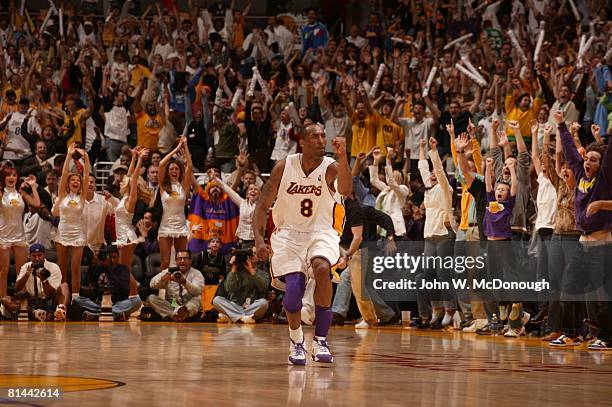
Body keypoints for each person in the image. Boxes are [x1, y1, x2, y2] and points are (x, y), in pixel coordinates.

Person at [253, 124, 352, 365]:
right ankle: (297, 340)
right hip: (288, 234)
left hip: (322, 231)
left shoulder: (331, 167)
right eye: (315, 137)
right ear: (303, 143)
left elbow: (347, 189)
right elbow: (263, 205)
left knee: (321, 268)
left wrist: (343, 156)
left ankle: (320, 340)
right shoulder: (284, 167)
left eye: (322, 136)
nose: (321, 140)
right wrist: (258, 239)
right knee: (295, 288)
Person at [51, 144, 90, 304]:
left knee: (75, 268)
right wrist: (68, 155)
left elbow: (86, 176)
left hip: (78, 234)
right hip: (62, 233)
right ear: (67, 183)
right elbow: (65, 172)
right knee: (62, 268)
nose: (75, 181)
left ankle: (75, 298)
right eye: (72, 180)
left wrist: (86, 158)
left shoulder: (81, 198)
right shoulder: (61, 196)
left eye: (77, 180)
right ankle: (62, 297)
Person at [0, 243, 69, 322]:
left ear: (44, 255)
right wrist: (26, 276)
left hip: (48, 300)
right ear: (29, 256)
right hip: (30, 301)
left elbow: (51, 293)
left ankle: (60, 311)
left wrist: (44, 280)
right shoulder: (25, 266)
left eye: (39, 255)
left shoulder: (53, 267)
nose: (37, 258)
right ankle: (35, 313)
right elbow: (17, 288)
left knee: (64, 286)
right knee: (5, 299)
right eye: (34, 256)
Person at [0, 167, 40, 297]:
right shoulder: (1, 193)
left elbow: (37, 203)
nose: (11, 178)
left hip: (19, 235)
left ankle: (22, 300)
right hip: (3, 235)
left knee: (22, 271)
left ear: (17, 178)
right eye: (8, 175)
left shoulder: (21, 193)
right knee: (3, 270)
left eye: (14, 175)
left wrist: (33, 187)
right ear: (3, 178)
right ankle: (2, 300)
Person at [157, 138, 193, 271]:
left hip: (181, 226)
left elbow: (189, 165)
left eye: (177, 169)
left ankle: (181, 288)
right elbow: (161, 164)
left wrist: (185, 146)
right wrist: (177, 149)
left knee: (182, 261)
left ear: (179, 172)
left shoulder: (183, 186)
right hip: (165, 226)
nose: (174, 170)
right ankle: (162, 291)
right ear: (168, 172)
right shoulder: (163, 186)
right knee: (165, 261)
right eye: (171, 168)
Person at [212, 248, 270, 323]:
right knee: (217, 300)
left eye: (255, 253)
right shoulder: (237, 271)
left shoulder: (263, 274)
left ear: (260, 258)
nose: (252, 256)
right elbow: (229, 288)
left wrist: (251, 270)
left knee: (264, 303)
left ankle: (232, 316)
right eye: (250, 254)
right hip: (234, 305)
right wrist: (233, 267)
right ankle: (243, 317)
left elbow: (263, 288)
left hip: (252, 306)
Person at [147, 250, 204, 321]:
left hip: (188, 304)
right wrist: (162, 279)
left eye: (185, 258)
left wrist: (184, 282)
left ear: (190, 261)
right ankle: (176, 315)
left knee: (197, 299)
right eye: (179, 259)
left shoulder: (197, 273)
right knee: (151, 298)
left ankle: (179, 314)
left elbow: (198, 291)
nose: (182, 261)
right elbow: (151, 284)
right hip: (172, 304)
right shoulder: (169, 271)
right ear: (176, 261)